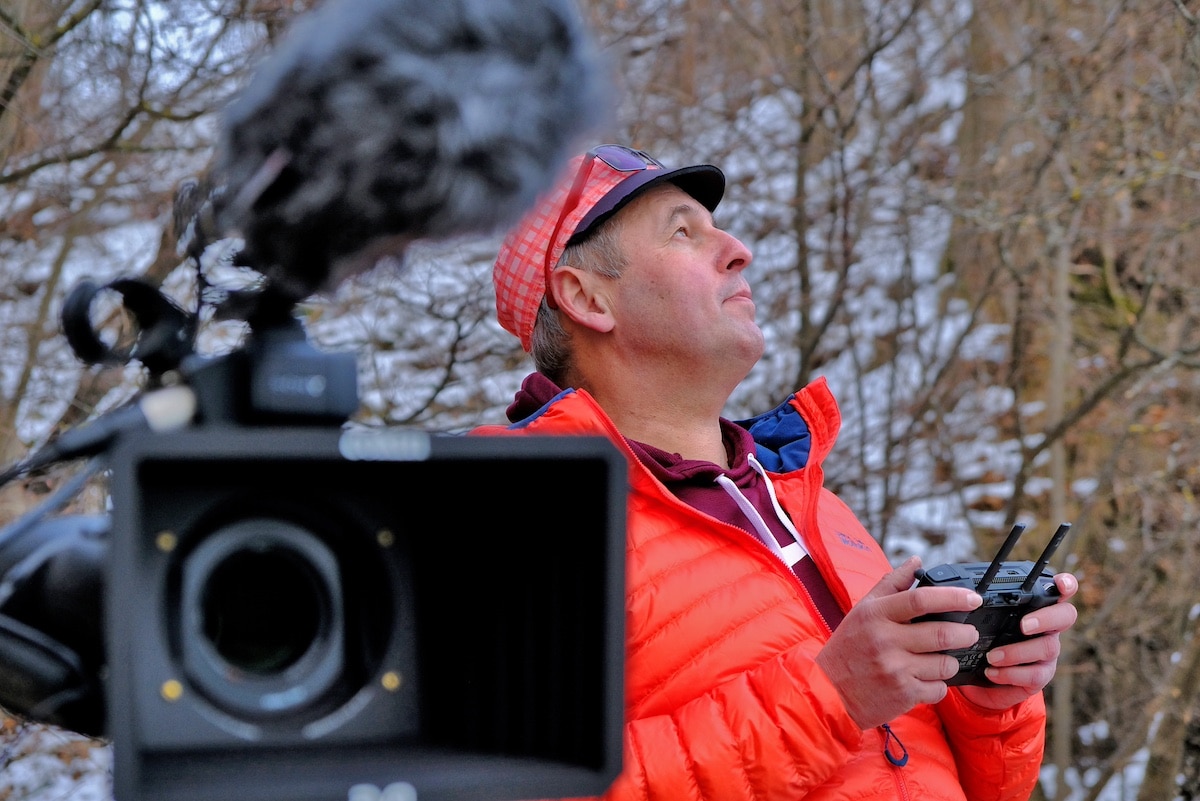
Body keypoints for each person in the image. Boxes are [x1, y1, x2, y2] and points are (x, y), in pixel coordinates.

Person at [475, 144, 1080, 800]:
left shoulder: (817, 504)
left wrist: (991, 703)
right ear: (587, 298)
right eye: (683, 231)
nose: (738, 249)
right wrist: (827, 698)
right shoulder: (519, 517)